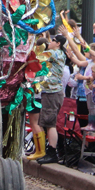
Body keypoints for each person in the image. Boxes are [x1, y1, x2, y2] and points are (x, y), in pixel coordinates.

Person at [35, 35, 67, 165]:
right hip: (50, 92)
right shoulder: (57, 52)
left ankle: (52, 152)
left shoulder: (56, 53)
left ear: (58, 43)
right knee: (47, 122)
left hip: (53, 92)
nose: (50, 42)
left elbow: (39, 56)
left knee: (50, 123)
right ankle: (48, 151)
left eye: (52, 40)